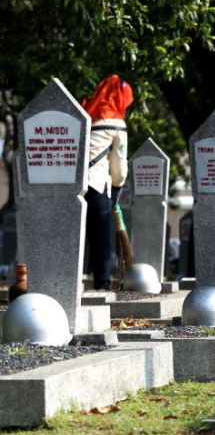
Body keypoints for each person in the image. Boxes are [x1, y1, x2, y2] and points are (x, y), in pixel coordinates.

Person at [80, 75, 133, 290]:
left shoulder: (86, 114)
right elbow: (119, 164)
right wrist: (118, 187)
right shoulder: (116, 123)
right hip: (95, 185)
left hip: (73, 185)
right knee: (101, 238)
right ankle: (101, 286)